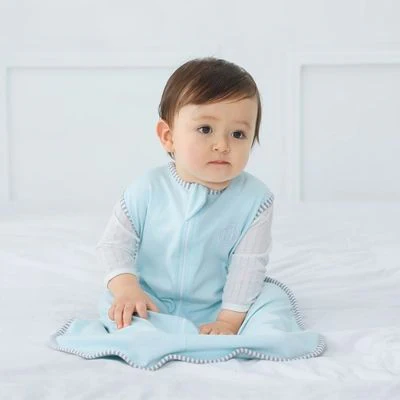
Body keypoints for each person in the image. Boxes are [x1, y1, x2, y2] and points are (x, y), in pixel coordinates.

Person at [95, 56, 275, 336]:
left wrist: (228, 321)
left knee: (271, 304)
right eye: (205, 129)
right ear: (168, 136)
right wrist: (127, 288)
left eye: (238, 134)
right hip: (148, 299)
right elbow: (114, 245)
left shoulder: (255, 200)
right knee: (120, 314)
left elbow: (247, 267)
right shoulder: (147, 189)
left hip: (219, 306)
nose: (222, 145)